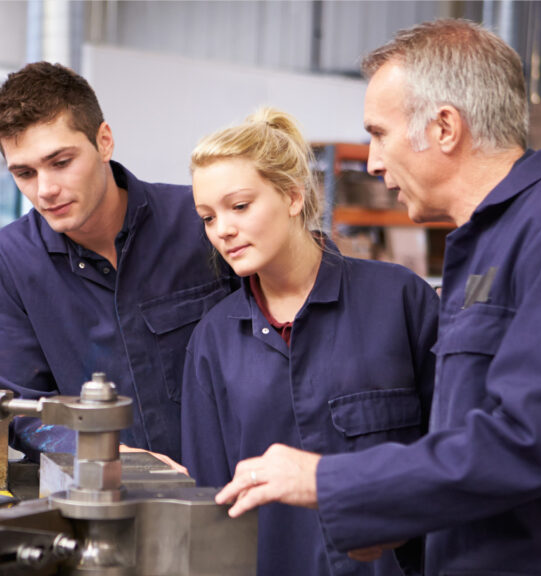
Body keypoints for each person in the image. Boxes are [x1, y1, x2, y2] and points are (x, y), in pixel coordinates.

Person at [215, 18, 541, 576]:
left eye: (380, 134)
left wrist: (328, 480)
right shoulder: (490, 243)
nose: (373, 162)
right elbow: (471, 445)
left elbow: (534, 441)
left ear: (445, 127)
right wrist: (392, 517)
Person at [182, 107, 438, 576]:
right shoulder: (212, 342)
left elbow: (454, 457)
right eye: (208, 217)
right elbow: (211, 506)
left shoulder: (400, 300)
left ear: (293, 196)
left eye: (239, 206)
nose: (222, 230)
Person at [0, 62, 234, 466]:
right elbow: (22, 412)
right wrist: (111, 457)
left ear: (104, 142)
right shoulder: (9, 263)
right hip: (99, 493)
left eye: (61, 162)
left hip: (230, 486)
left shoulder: (200, 223)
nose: (45, 190)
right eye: (25, 173)